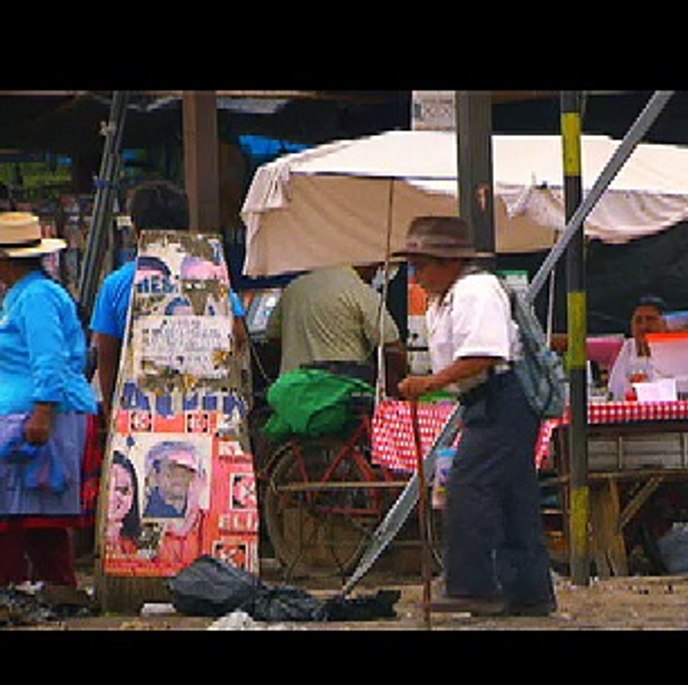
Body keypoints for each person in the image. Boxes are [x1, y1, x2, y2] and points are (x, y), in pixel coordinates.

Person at [394, 216, 556, 617]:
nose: (417, 276)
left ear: (448, 263)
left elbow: (486, 353)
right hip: (487, 399)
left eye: (422, 266)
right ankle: (528, 591)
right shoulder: (444, 300)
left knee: (469, 489)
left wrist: (431, 383)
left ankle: (474, 585)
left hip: (506, 396)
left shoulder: (474, 290)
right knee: (512, 494)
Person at [89, 180, 247, 421]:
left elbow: (106, 354)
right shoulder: (212, 277)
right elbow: (238, 336)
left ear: (135, 228)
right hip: (207, 412)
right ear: (185, 226)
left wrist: (112, 411)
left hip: (141, 417)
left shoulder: (116, 285)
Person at [0, 212, 98, 586]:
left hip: (40, 419)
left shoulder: (37, 296)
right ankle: (55, 592)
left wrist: (42, 412)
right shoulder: (22, 296)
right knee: (37, 523)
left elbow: (49, 357)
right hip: (22, 416)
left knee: (19, 519)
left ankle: (21, 591)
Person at [265, 264, 407, 395]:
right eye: (376, 269)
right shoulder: (359, 290)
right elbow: (392, 347)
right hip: (338, 396)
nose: (376, 275)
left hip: (292, 391)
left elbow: (273, 338)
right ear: (367, 265)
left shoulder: (294, 288)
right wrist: (402, 383)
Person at [607, 295, 670, 401]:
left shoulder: (674, 349)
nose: (644, 326)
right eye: (638, 320)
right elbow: (615, 391)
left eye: (651, 319)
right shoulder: (628, 348)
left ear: (665, 323)